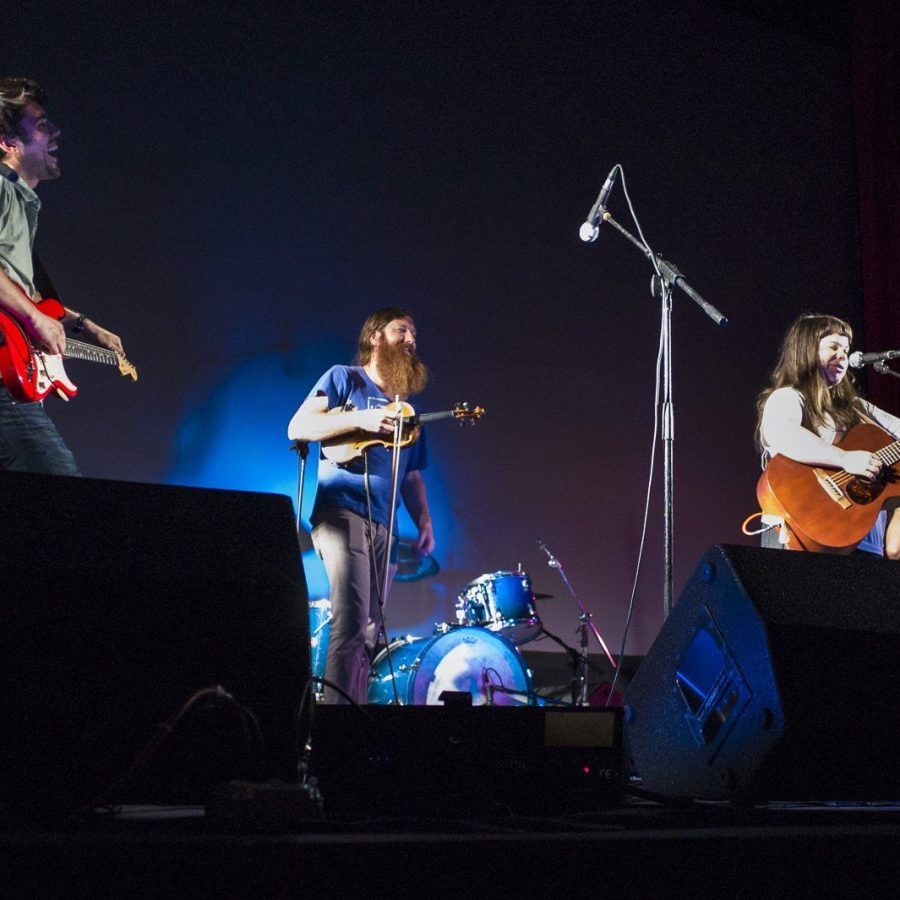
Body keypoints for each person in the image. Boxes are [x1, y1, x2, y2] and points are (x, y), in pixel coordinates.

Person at [287, 307, 435, 703]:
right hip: (342, 513)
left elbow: (411, 474)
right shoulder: (344, 378)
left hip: (385, 523)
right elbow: (299, 426)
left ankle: (351, 718)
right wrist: (364, 421)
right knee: (351, 623)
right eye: (402, 330)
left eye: (414, 334)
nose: (411, 340)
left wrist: (424, 521)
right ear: (375, 336)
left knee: (371, 631)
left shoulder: (407, 412)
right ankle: (333, 728)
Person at [0, 77, 125, 474]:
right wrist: (36, 319)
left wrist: (82, 324)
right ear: (8, 143)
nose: (55, 131)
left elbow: (21, 290)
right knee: (59, 485)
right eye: (40, 125)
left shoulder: (20, 204)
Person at [756, 313, 900, 557]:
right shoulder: (789, 397)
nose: (843, 355)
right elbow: (782, 433)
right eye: (833, 347)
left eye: (846, 349)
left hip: (862, 540)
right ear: (806, 350)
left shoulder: (857, 407)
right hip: (801, 531)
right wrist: (845, 459)